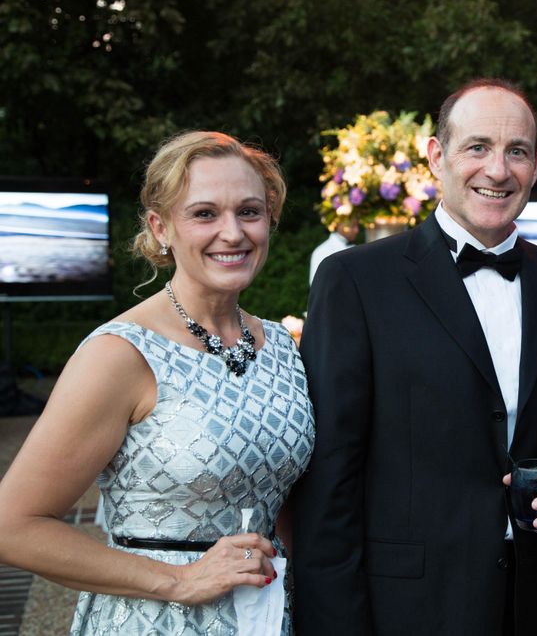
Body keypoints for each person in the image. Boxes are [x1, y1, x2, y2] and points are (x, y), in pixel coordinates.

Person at [292, 78, 537, 635]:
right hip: (408, 610)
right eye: (477, 147)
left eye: (517, 151)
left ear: (536, 165)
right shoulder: (355, 281)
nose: (498, 170)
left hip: (535, 605)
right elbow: (330, 479)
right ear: (436, 156)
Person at [0, 131, 315, 635]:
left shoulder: (280, 344)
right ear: (161, 227)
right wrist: (179, 580)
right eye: (205, 214)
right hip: (155, 621)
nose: (232, 233)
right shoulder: (120, 355)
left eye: (250, 212)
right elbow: (13, 526)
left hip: (272, 615)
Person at [308, 220, 358, 285]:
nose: (357, 230)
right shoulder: (322, 251)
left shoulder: (353, 248)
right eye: (353, 226)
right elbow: (317, 285)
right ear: (340, 225)